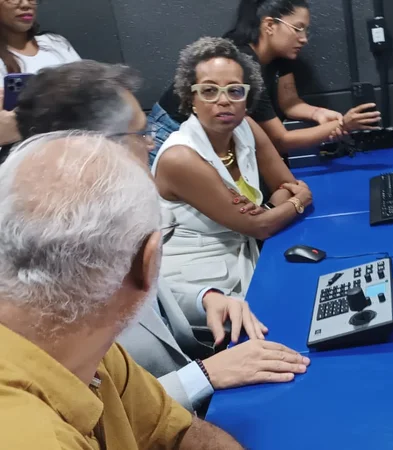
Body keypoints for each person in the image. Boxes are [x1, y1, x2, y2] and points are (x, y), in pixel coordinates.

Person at [15, 60, 311, 413]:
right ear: (89, 149)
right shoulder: (42, 260)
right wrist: (203, 376)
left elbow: (150, 309)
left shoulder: (110, 222)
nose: (150, 141)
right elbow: (87, 414)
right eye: (139, 133)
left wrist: (204, 298)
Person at [0, 131, 245, 448]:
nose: (150, 142)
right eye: (137, 132)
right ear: (149, 262)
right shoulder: (33, 437)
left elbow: (173, 430)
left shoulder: (94, 351)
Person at [152, 37, 312, 321]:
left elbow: (284, 185)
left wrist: (270, 211)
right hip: (200, 288)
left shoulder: (245, 127)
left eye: (235, 90)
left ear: (247, 98)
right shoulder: (180, 158)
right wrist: (299, 201)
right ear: (191, 99)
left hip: (247, 261)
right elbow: (262, 225)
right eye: (209, 91)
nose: (223, 100)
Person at [148, 0, 381, 163]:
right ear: (269, 25)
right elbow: (281, 140)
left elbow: (290, 103)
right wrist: (343, 126)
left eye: (306, 31)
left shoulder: (282, 55)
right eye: (298, 29)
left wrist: (319, 113)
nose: (304, 39)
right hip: (170, 131)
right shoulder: (242, 65)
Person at [0, 0, 81, 147]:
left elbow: (89, 93)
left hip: (79, 142)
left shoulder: (56, 43)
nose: (26, 4)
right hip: (25, 152)